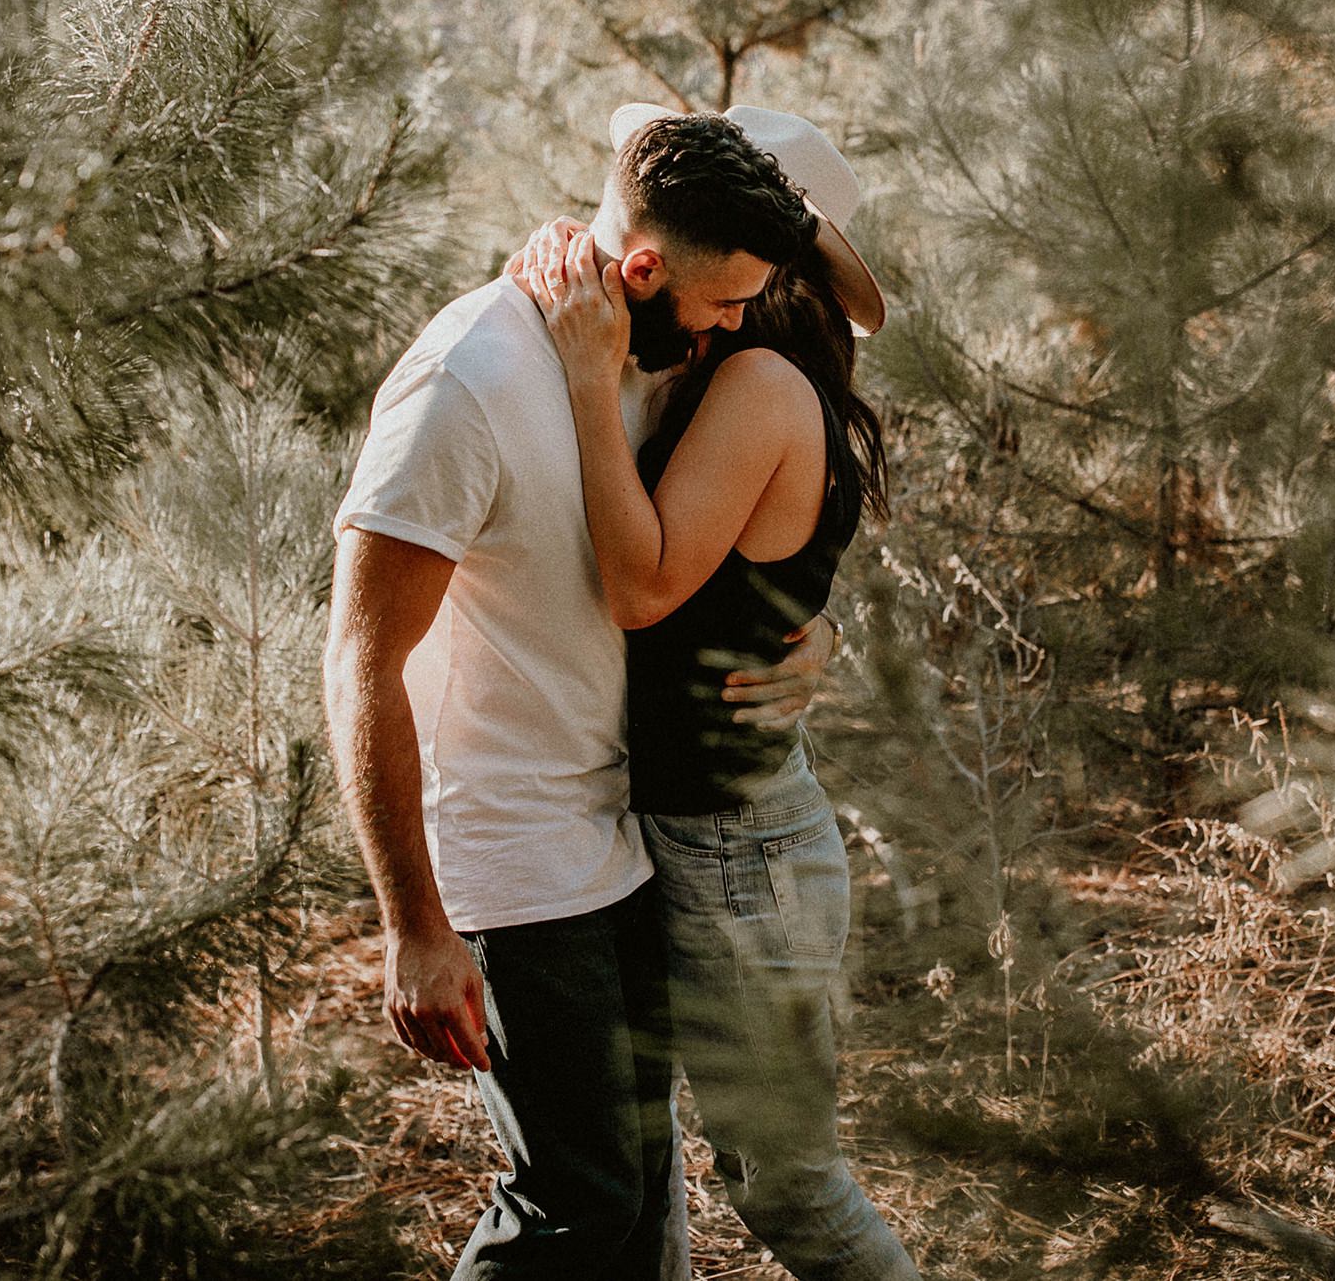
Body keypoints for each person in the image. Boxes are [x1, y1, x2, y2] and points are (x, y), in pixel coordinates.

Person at [322, 111, 841, 1280]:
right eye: (722, 304)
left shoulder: (638, 353)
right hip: (517, 857)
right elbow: (360, 658)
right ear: (646, 270)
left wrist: (813, 633)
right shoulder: (470, 376)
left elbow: (711, 559)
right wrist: (413, 922)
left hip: (626, 839)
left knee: (641, 1195)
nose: (734, 330)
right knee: (572, 1201)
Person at [508, 105, 921, 1281]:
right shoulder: (728, 372)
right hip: (704, 828)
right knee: (650, 1165)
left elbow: (643, 585)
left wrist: (588, 381)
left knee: (786, 1181)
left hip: (739, 843)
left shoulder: (756, 386)